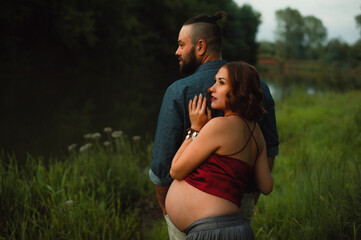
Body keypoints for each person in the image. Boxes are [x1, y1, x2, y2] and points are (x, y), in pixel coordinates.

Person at [149, 11, 279, 240]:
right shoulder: (261, 89)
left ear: (200, 46)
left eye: (181, 45)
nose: (176, 51)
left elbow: (164, 165)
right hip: (240, 203)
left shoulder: (179, 91)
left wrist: (165, 205)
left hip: (197, 220)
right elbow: (269, 152)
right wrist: (250, 195)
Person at [165, 61, 273, 239]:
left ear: (240, 90)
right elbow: (267, 186)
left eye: (221, 83)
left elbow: (176, 170)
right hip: (235, 229)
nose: (211, 88)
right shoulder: (257, 133)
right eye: (215, 81)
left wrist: (195, 129)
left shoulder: (219, 125)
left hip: (212, 232)